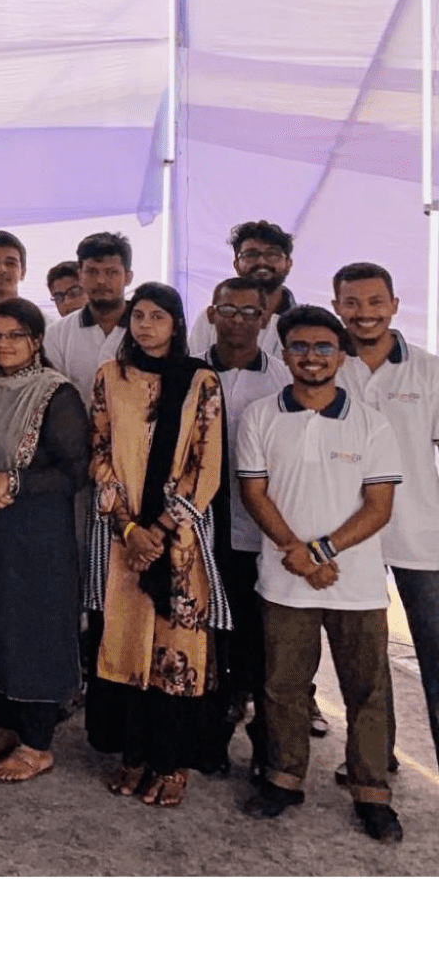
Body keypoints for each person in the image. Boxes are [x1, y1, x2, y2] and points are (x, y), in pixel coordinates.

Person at [238, 306, 402, 841]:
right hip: (284, 579)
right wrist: (296, 552)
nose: (312, 357)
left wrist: (320, 551)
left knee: (367, 690)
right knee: (282, 687)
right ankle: (283, 780)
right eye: (301, 347)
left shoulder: (371, 422)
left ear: (341, 355)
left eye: (324, 347)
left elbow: (379, 506)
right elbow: (253, 491)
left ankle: (371, 791)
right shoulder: (260, 416)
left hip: (357, 585)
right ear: (284, 355)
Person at [85, 283, 228, 809]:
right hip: (123, 541)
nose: (145, 326)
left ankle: (171, 762)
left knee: (175, 652)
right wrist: (129, 529)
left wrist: (160, 530)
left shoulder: (201, 382)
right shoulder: (110, 376)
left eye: (157, 317)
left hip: (179, 543)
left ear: (176, 324)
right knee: (125, 645)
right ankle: (133, 753)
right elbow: (100, 452)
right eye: (138, 316)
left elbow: (205, 468)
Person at [0, 301, 87, 782]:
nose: (4, 344)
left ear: (36, 340)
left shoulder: (56, 392)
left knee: (34, 628)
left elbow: (74, 471)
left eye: (15, 335)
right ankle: (7, 723)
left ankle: (37, 743)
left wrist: (10, 483)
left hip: (38, 529)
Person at [334, 260, 439, 767]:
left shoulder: (429, 370)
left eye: (376, 302)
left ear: (395, 305)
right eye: (352, 303)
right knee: (366, 663)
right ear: (337, 307)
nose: (365, 313)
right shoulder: (329, 367)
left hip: (422, 536)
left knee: (435, 656)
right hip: (351, 538)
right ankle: (376, 759)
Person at [202, 277, 290, 774]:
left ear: (265, 319)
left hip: (262, 536)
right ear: (212, 314)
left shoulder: (282, 380)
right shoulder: (191, 374)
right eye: (228, 310)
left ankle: (265, 749)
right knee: (211, 640)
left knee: (260, 650)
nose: (238, 320)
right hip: (204, 534)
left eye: (249, 312)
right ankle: (210, 741)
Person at [186, 220, 298, 354]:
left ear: (288, 263)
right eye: (250, 255)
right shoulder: (210, 320)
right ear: (236, 265)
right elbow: (194, 365)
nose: (261, 262)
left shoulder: (305, 324)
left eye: (272, 254)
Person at [45, 231, 131, 391]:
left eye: (111, 272)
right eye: (92, 272)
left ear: (128, 277)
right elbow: (50, 394)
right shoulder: (57, 335)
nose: (101, 281)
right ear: (80, 276)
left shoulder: (148, 329)